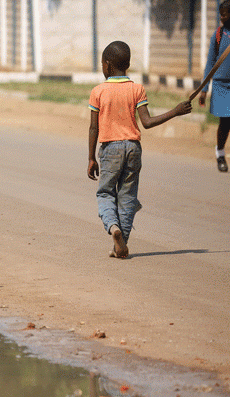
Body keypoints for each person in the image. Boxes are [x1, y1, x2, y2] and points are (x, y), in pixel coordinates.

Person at [87, 41, 191, 259]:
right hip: (133, 148)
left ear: (106, 65)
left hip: (110, 148)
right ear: (127, 64)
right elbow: (147, 122)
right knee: (128, 197)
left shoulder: (98, 91)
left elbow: (93, 127)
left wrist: (91, 158)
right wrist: (175, 111)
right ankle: (121, 245)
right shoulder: (137, 89)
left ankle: (113, 228)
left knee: (106, 192)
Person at [200, 0, 230, 173]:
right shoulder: (218, 35)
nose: (221, 16)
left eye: (224, 13)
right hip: (220, 85)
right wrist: (204, 90)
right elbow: (210, 62)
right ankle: (220, 153)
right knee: (225, 121)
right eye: (220, 13)